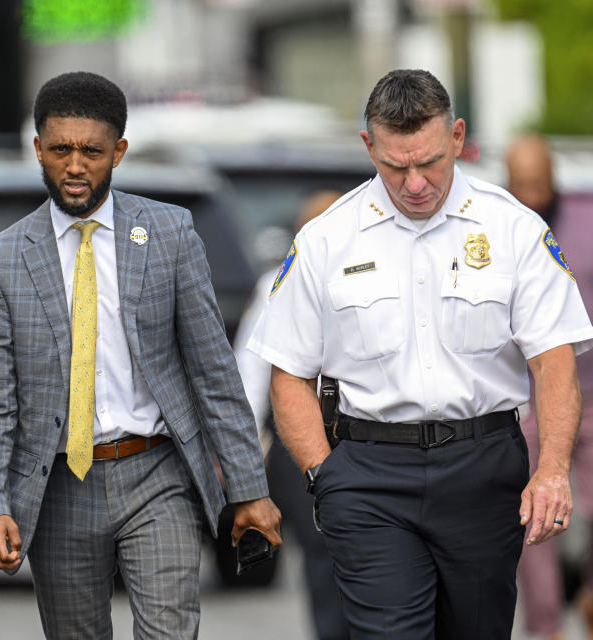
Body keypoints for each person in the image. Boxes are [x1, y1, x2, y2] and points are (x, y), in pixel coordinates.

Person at [247, 69, 593, 639]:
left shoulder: (512, 229)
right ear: (368, 147)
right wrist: (323, 476)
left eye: (429, 162)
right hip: (368, 477)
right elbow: (287, 374)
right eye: (394, 166)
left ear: (456, 137)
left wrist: (552, 470)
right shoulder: (326, 240)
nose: (414, 183)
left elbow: (552, 360)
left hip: (483, 470)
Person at [0, 70, 281, 639]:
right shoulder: (0, 260)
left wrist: (250, 491)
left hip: (156, 471)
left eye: (92, 150)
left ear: (119, 151)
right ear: (39, 149)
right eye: (60, 149)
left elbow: (215, 375)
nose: (76, 165)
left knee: (168, 630)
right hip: (58, 484)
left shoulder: (170, 233)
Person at [233, 190, 349, 640]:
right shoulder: (275, 284)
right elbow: (252, 369)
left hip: (366, 439)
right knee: (321, 551)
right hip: (298, 440)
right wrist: (241, 452)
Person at [508, 133, 593, 640]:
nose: (531, 195)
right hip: (526, 401)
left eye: (539, 183)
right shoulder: (497, 226)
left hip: (592, 391)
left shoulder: (586, 220)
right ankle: (545, 626)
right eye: (521, 185)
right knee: (535, 514)